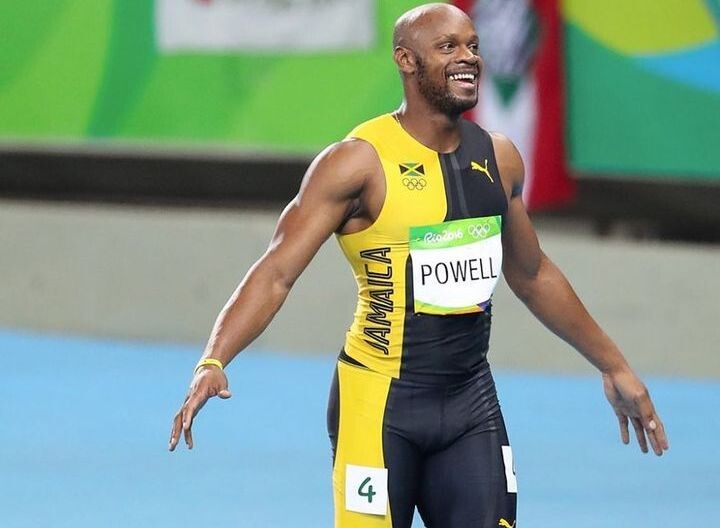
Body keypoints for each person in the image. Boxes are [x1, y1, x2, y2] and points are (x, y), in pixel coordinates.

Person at [169, 4, 669, 527]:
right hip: (378, 406)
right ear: (406, 60)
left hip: (471, 403)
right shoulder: (357, 162)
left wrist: (613, 365)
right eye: (448, 47)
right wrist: (214, 359)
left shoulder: (499, 158)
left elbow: (532, 274)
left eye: (473, 45)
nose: (467, 58)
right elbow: (275, 271)